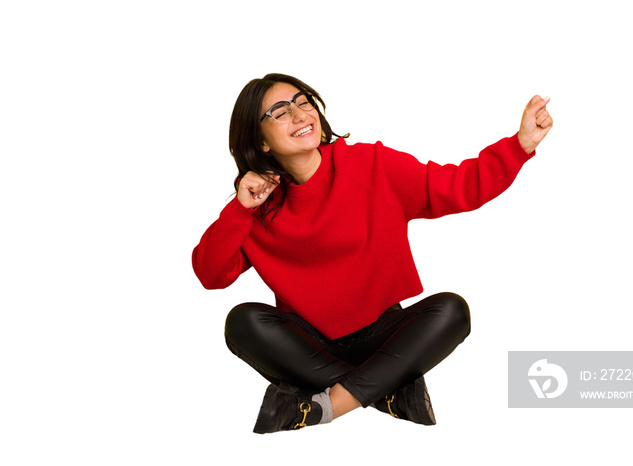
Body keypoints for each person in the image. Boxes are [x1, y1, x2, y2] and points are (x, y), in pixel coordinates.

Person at [192, 73, 553, 433]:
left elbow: (459, 186)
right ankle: (387, 392)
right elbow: (211, 275)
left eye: (304, 102)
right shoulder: (258, 205)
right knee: (242, 322)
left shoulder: (369, 164)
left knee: (452, 311)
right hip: (310, 346)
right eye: (281, 111)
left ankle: (326, 406)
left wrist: (519, 146)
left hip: (385, 335)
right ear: (261, 141)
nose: (300, 114)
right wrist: (240, 209)